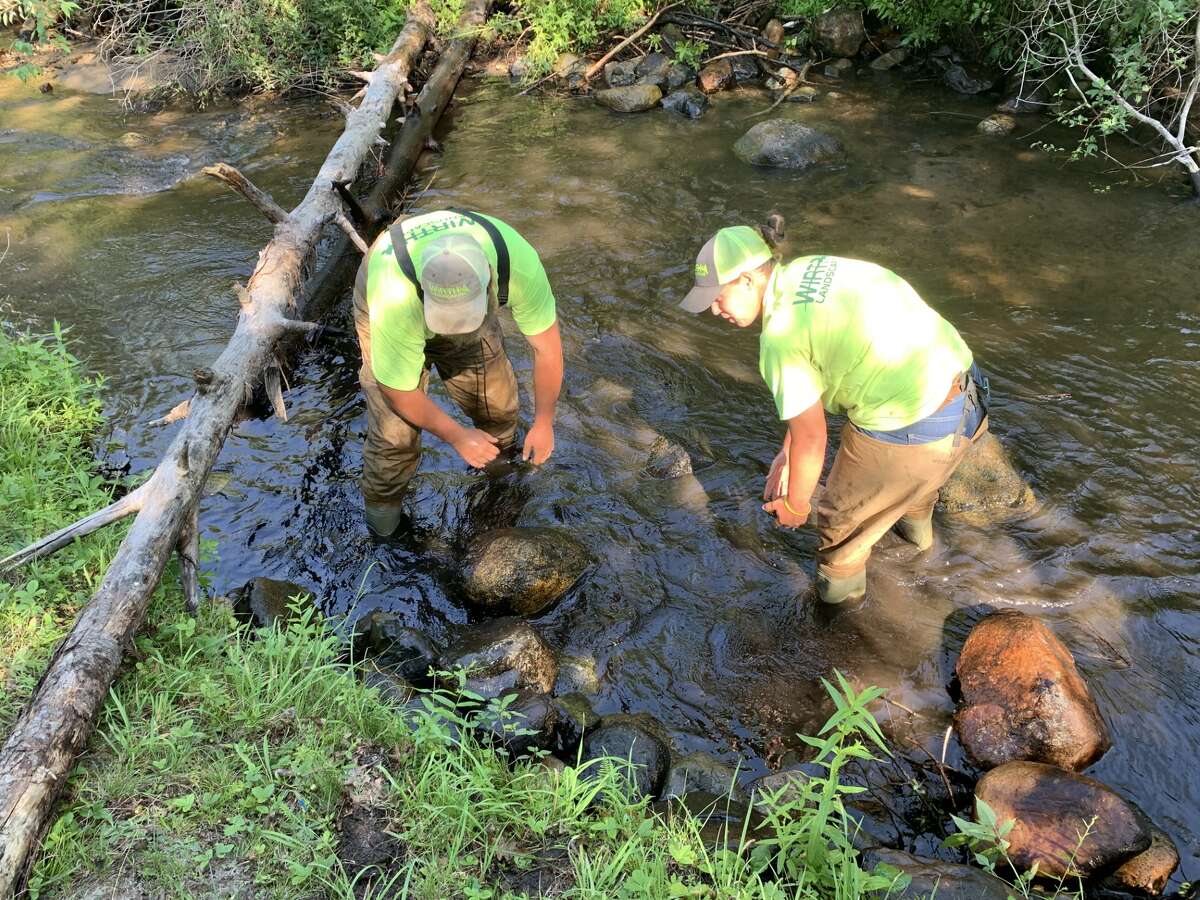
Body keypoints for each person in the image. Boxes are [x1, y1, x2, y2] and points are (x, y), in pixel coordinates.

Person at [677, 220, 988, 604]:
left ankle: (843, 623)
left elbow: (813, 438)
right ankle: (923, 555)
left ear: (745, 280)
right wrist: (785, 453)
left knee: (838, 536)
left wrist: (794, 506)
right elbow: (821, 370)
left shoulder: (779, 338)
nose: (713, 309)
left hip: (915, 431)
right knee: (911, 494)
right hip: (966, 393)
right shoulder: (811, 270)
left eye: (716, 296)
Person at [352, 208, 563, 537]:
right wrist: (456, 435)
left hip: (450, 283)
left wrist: (544, 421)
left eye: (464, 317)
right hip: (392, 282)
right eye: (447, 320)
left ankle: (500, 486)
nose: (453, 329)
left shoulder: (518, 263)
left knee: (497, 405)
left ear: (490, 280)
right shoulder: (395, 297)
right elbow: (397, 390)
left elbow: (547, 349)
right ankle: (385, 533)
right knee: (395, 437)